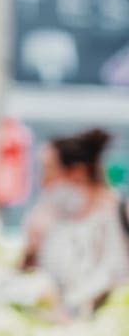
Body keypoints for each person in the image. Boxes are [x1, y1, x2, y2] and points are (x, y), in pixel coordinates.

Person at [21, 128, 129, 318]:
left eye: (48, 170)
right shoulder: (54, 222)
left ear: (77, 172)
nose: (42, 182)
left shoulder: (120, 215)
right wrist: (30, 252)